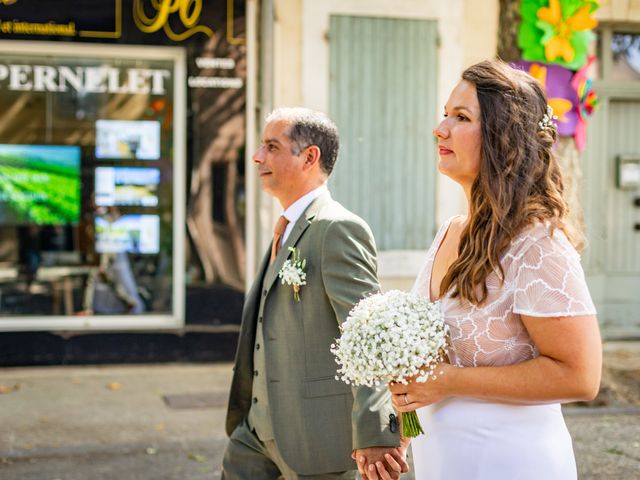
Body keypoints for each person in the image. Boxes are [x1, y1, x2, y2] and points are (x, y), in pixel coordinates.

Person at [368, 60, 602, 480]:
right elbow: (432, 364)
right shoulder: (449, 233)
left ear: (502, 138)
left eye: (461, 118)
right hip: (443, 461)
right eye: (445, 114)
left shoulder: (537, 244)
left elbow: (580, 376)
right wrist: (400, 433)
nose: (440, 128)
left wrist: (450, 381)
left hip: (511, 461)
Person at [222, 107, 409, 479]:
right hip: (254, 433)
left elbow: (368, 335)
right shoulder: (286, 227)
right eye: (261, 147)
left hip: (314, 438)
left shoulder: (337, 228)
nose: (258, 157)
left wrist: (376, 429)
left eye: (272, 147)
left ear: (309, 157)